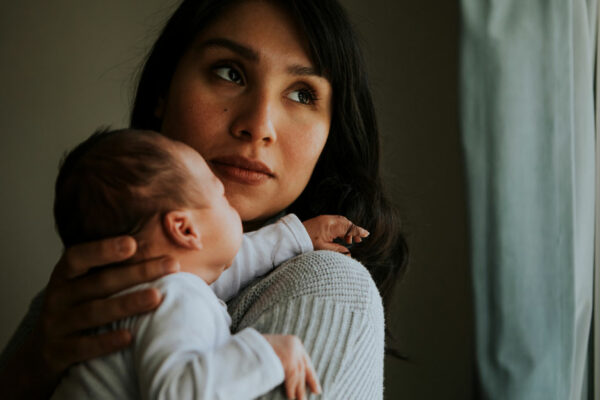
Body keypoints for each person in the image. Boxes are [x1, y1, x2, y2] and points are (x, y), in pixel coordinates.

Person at [0, 0, 407, 398]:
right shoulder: (76, 302)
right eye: (230, 72)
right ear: (164, 89)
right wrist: (30, 367)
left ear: (330, 134)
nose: (259, 126)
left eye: (302, 94)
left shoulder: (330, 285)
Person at [50, 128, 368, 399]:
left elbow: (232, 261)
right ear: (186, 229)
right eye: (222, 198)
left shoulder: (152, 291)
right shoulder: (172, 298)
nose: (232, 208)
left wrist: (300, 235)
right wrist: (268, 353)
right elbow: (178, 393)